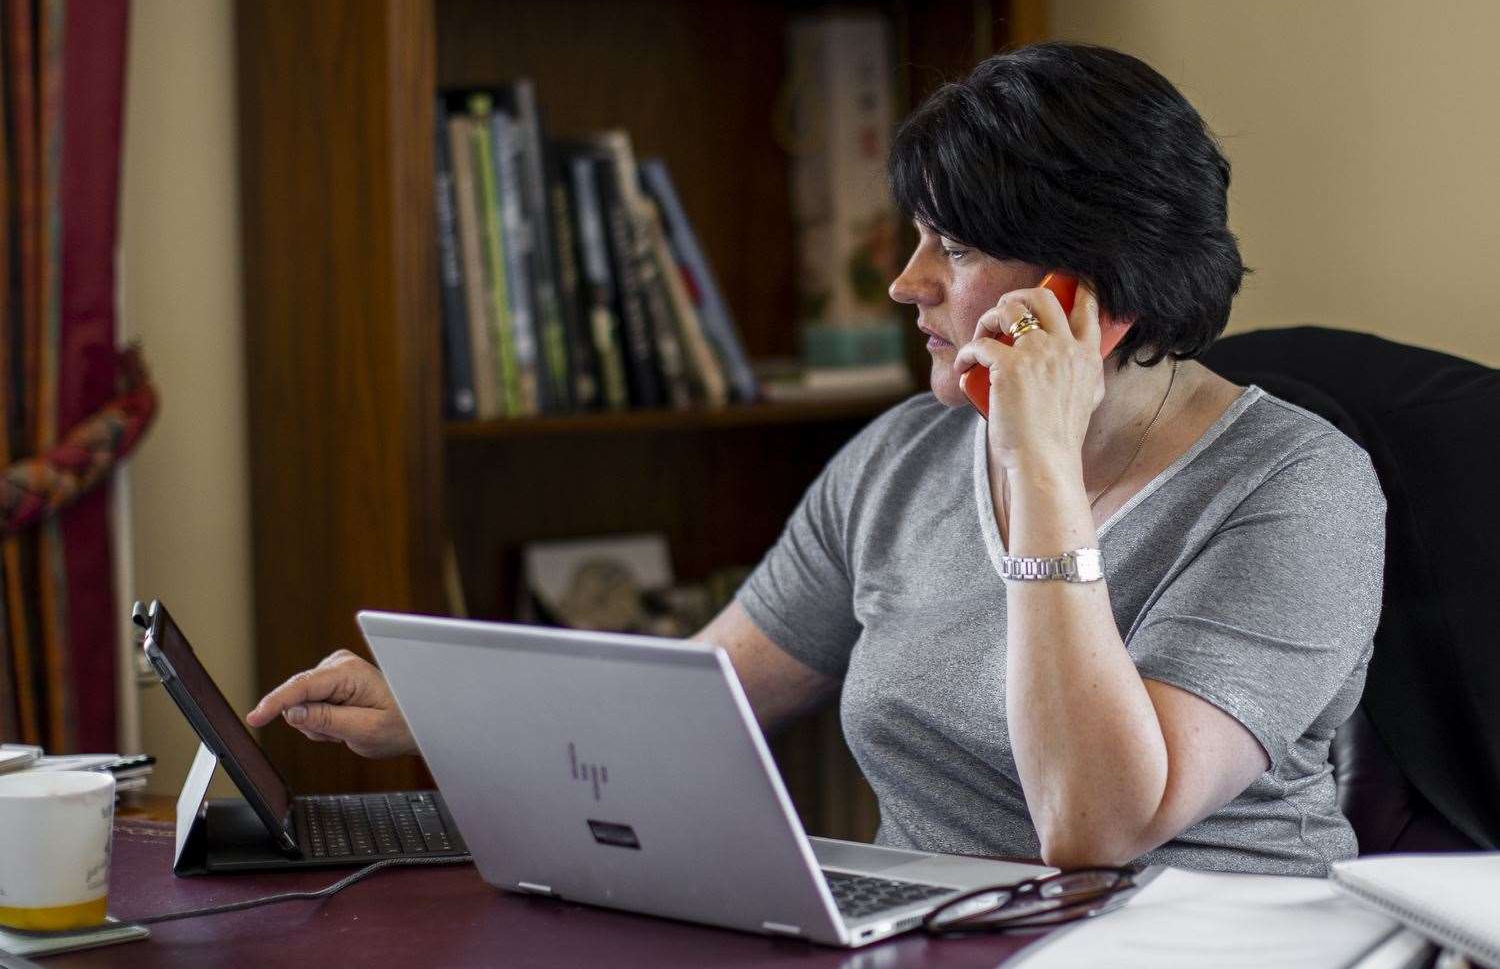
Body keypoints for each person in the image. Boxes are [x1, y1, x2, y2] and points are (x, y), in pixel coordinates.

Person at [248, 43, 1384, 876]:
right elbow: (696, 707)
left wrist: (1040, 469)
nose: (905, 284)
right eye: (915, 237)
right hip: (935, 942)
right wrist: (439, 711)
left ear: (1091, 291)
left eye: (957, 246)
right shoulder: (901, 457)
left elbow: (1095, 825)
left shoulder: (1298, 492)